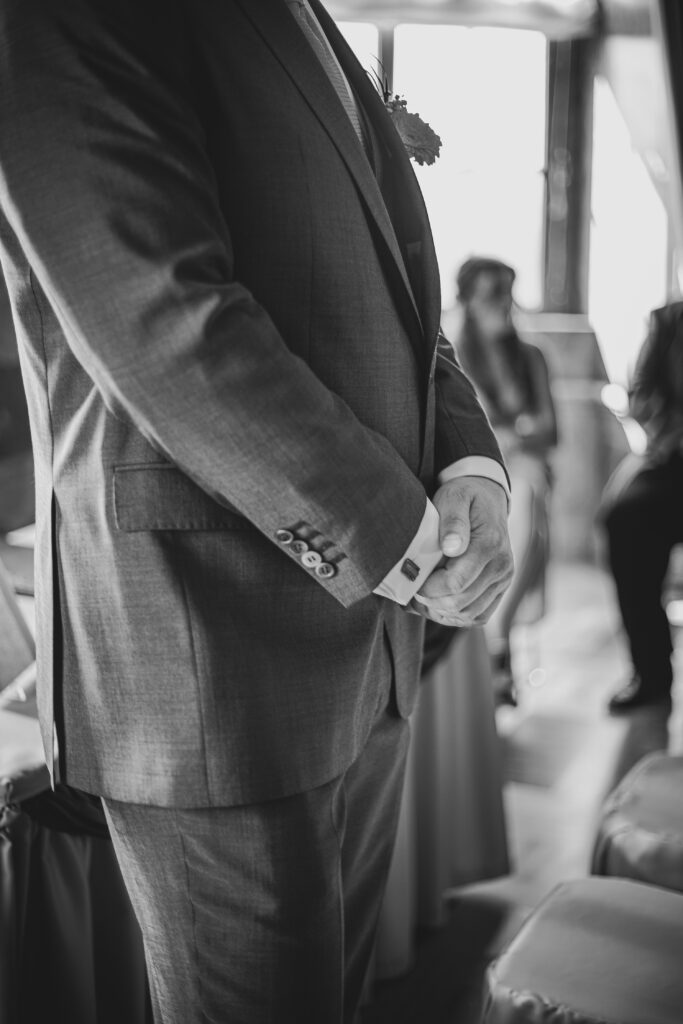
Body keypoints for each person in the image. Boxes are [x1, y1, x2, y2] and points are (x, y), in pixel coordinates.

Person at [0, 2, 513, 1021]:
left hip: (370, 643)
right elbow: (158, 315)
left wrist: (471, 464)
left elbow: (400, 303)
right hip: (209, 648)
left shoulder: (303, 16)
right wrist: (408, 544)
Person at [453, 257, 557, 705]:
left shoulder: (531, 356)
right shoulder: (453, 356)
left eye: (508, 292)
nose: (504, 303)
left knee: (528, 494)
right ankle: (494, 649)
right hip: (475, 476)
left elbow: (550, 430)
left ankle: (497, 643)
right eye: (491, 294)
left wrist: (511, 435)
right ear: (467, 301)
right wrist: (515, 431)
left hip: (525, 473)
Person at [601, 301, 683, 714]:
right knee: (625, 517)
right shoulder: (669, 322)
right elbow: (641, 393)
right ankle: (650, 671)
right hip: (675, 457)